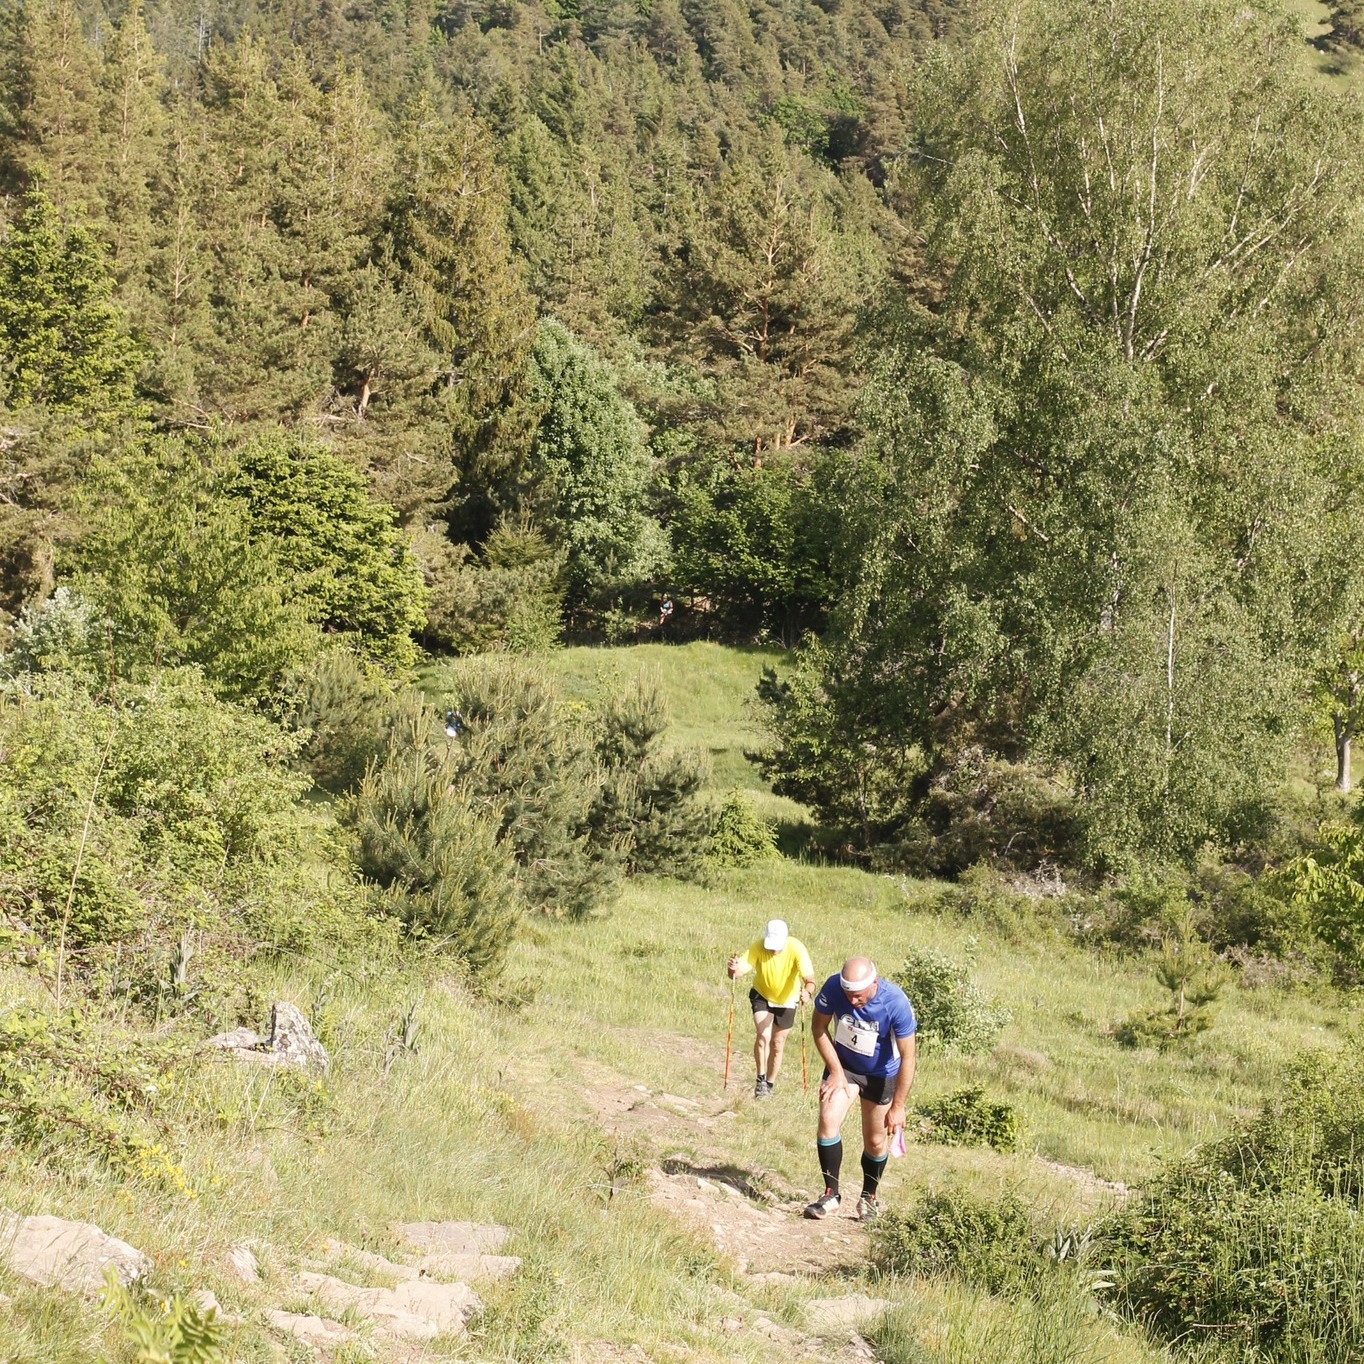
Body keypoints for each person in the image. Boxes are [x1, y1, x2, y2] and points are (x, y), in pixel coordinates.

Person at [804, 956, 916, 1222]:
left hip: (881, 1075)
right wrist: (836, 1071)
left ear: (874, 983)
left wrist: (898, 1106)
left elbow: (908, 1057)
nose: (853, 1002)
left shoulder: (895, 1003)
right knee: (827, 1119)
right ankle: (831, 1194)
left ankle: (869, 1197)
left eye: (859, 996)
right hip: (844, 1067)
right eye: (848, 995)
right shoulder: (833, 988)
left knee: (876, 1141)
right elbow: (818, 1028)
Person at [727, 919, 816, 1099]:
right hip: (762, 995)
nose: (772, 949)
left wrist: (807, 993)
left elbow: (810, 980)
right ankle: (760, 1080)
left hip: (787, 1000)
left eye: (776, 946)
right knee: (763, 1035)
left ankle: (770, 1083)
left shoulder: (797, 948)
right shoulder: (758, 946)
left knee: (777, 1043)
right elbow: (737, 974)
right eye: (770, 945)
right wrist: (732, 970)